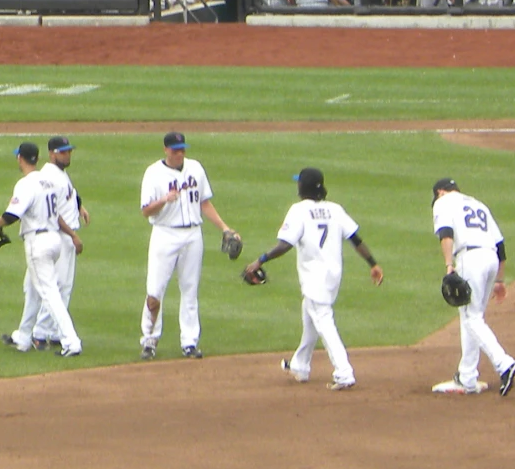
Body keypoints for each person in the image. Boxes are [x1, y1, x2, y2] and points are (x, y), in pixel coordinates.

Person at [245, 166, 382, 390]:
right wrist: (373, 264)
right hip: (333, 276)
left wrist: (260, 260)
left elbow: (285, 244)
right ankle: (300, 365)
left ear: (302, 187)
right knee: (310, 315)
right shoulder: (335, 209)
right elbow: (356, 239)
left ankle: (344, 372)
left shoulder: (299, 210)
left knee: (324, 322)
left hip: (315, 277)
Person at [137, 130, 240, 361]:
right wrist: (164, 200)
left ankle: (190, 342)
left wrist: (224, 227)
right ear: (166, 150)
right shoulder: (153, 173)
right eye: (176, 150)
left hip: (193, 235)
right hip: (165, 234)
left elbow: (205, 203)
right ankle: (149, 340)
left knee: (190, 290)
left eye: (183, 149)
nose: (180, 153)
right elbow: (145, 211)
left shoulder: (195, 168)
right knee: (155, 292)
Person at [0, 140, 82, 358]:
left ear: (20, 158)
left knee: (49, 293)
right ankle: (23, 335)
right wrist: (72, 235)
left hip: (37, 243)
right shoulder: (46, 181)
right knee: (31, 288)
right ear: (37, 158)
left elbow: (12, 215)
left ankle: (71, 341)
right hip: (54, 239)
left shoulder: (26, 184)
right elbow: (57, 215)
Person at [429, 177, 515, 396]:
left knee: (472, 318)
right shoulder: (478, 204)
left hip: (470, 259)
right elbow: (500, 247)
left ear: (441, 192)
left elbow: (446, 233)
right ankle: (467, 377)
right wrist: (499, 280)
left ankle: (504, 364)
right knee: (472, 316)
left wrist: (449, 265)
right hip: (491, 259)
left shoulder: (444, 202)